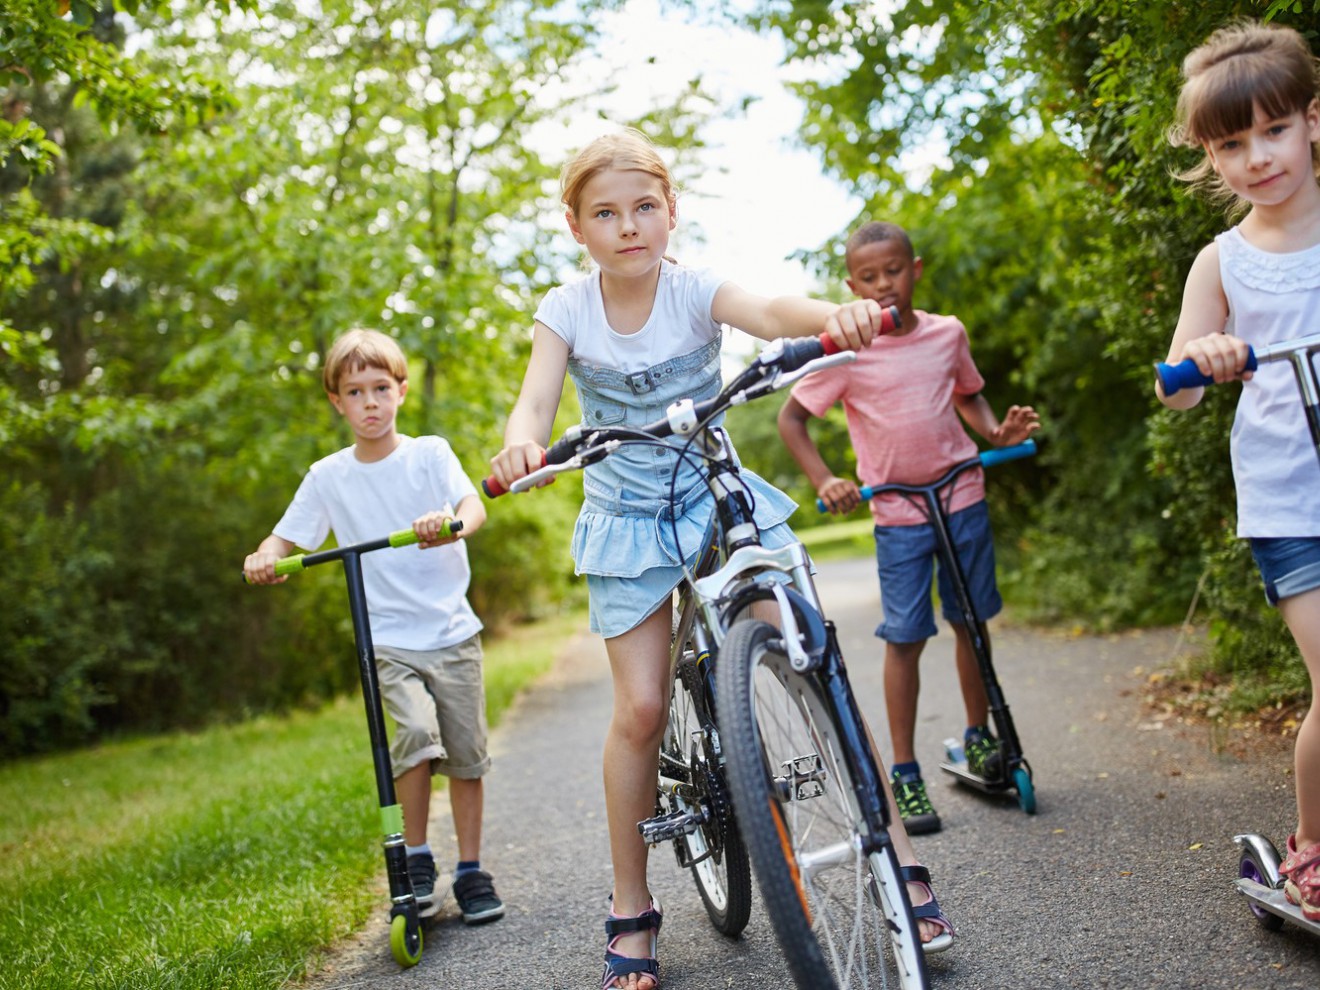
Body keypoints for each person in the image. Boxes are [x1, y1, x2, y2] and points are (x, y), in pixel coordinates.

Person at [487, 129, 953, 990]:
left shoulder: (696, 289)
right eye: (606, 213)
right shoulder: (566, 309)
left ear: (670, 212)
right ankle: (633, 907)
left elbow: (774, 314)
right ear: (576, 226)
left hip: (715, 496)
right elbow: (536, 401)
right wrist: (523, 448)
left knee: (808, 655)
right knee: (639, 709)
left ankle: (898, 865)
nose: (629, 226)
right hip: (628, 520)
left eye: (645, 207)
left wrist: (833, 317)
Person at [778, 220, 1040, 836]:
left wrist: (994, 434)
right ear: (850, 285)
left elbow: (968, 395)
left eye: (892, 271)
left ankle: (979, 736)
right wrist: (825, 481)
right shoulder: (845, 350)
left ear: (914, 269)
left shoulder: (948, 334)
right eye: (868, 278)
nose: (883, 285)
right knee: (905, 636)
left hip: (961, 494)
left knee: (970, 623)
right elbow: (793, 419)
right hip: (897, 513)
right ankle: (904, 770)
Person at [243, 328, 504, 926]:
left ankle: (471, 870)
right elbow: (286, 535)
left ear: (401, 391)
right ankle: (415, 860)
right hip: (386, 638)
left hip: (451, 632)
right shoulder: (328, 476)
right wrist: (265, 554)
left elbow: (474, 506)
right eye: (355, 391)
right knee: (412, 736)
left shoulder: (429, 454)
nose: (369, 402)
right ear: (337, 401)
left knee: (466, 756)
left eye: (380, 388)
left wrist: (450, 523)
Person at [1158, 20, 1320, 922]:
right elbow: (1175, 389)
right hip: (1293, 504)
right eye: (1231, 143)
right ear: (1208, 154)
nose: (1257, 157)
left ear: (1312, 121)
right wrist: (1209, 353)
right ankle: (1311, 851)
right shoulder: (1223, 260)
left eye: (1273, 130)